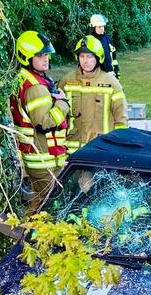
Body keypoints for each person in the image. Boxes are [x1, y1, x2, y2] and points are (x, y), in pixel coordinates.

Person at [10, 31, 69, 210]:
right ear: (26, 57)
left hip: (37, 158)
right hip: (45, 160)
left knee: (38, 206)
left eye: (46, 55)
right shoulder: (35, 86)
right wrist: (63, 103)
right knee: (53, 208)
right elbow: (44, 123)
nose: (46, 59)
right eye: (40, 55)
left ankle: (28, 235)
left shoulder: (28, 79)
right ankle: (33, 237)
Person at [58, 35, 128, 154]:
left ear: (98, 58)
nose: (85, 61)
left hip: (102, 149)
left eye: (89, 56)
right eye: (82, 56)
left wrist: (117, 146)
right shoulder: (66, 81)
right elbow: (59, 118)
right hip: (72, 151)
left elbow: (121, 120)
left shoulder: (111, 83)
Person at [89, 14, 121, 78]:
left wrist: (116, 70)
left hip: (110, 74)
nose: (102, 29)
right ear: (93, 28)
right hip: (96, 76)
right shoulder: (90, 41)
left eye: (103, 26)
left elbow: (113, 57)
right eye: (99, 27)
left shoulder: (107, 39)